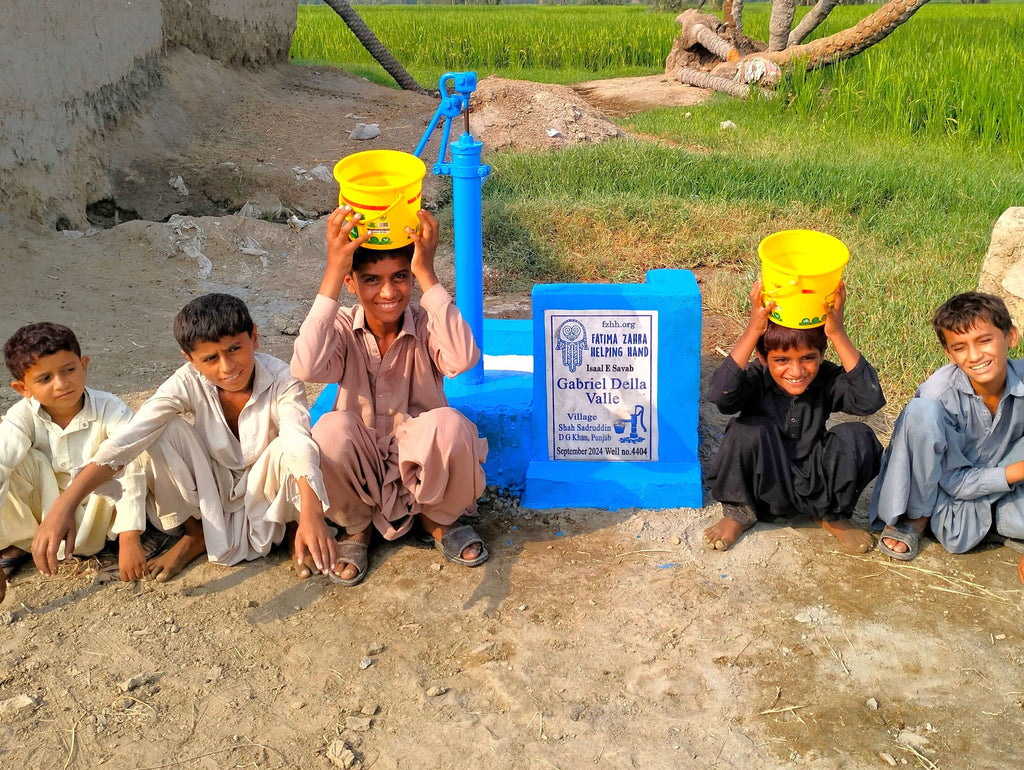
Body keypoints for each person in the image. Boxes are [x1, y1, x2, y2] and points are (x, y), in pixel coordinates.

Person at [32, 293, 340, 585]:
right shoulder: (186, 381)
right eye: (210, 358)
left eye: (234, 349)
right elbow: (130, 438)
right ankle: (196, 535)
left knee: (290, 446)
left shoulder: (283, 379)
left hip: (268, 484)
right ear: (190, 359)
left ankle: (295, 527)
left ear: (254, 337)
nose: (227, 367)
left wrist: (312, 513)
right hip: (214, 487)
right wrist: (66, 503)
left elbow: (298, 439)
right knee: (159, 430)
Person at [290, 206, 489, 586]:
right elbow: (305, 366)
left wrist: (426, 274)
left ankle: (439, 519)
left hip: (421, 467)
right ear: (352, 283)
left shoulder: (427, 321)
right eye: (371, 280)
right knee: (329, 431)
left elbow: (463, 358)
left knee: (450, 425)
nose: (387, 292)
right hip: (363, 468)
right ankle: (357, 527)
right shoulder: (343, 327)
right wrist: (333, 269)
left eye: (400, 278)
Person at [703, 280, 885, 553]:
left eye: (807, 358)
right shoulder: (756, 377)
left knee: (859, 437)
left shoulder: (826, 379)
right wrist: (754, 329)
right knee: (745, 429)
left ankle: (832, 516)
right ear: (763, 358)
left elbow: (869, 399)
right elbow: (720, 395)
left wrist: (837, 333)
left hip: (815, 485)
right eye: (782, 360)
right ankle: (739, 514)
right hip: (764, 484)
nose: (796, 371)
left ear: (822, 355)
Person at [871, 292, 1024, 584]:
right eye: (960, 347)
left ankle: (993, 522)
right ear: (950, 355)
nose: (975, 355)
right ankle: (916, 517)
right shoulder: (939, 394)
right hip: (944, 485)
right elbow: (954, 481)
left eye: (984, 340)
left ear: (1011, 337)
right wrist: (1018, 471)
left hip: (994, 477)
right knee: (920, 412)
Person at [1, 323, 149, 605]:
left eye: (69, 370)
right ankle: (19, 544)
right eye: (45, 378)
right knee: (13, 459)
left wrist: (130, 537)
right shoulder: (22, 416)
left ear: (84, 365)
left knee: (123, 455)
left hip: (99, 517)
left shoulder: (110, 408)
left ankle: (129, 537)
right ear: (23, 388)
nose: (61, 383)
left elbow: (131, 464)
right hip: (43, 524)